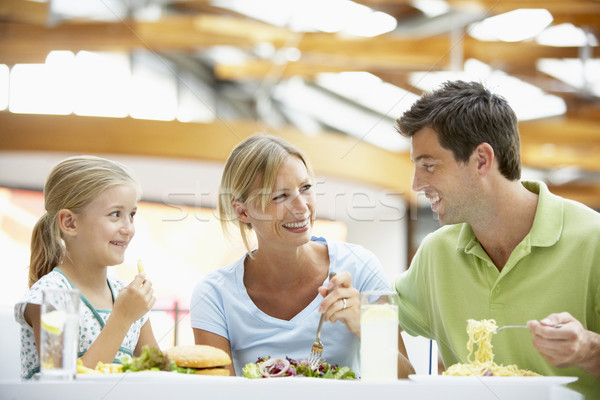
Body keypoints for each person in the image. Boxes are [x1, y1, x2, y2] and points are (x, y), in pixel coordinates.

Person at [394, 80, 599, 397]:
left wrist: (588, 349)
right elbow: (379, 311)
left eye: (429, 165)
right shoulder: (436, 253)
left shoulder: (593, 240)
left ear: (481, 160)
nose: (417, 183)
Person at [190, 134, 414, 377]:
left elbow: (405, 380)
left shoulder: (361, 267)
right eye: (280, 196)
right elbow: (215, 393)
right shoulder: (214, 295)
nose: (301, 207)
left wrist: (364, 326)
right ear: (242, 211)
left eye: (305, 188)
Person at [14, 155, 158, 379]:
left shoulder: (128, 297)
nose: (128, 228)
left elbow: (158, 374)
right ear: (70, 223)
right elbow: (61, 389)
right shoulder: (52, 296)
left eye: (131, 215)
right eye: (115, 214)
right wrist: (121, 317)